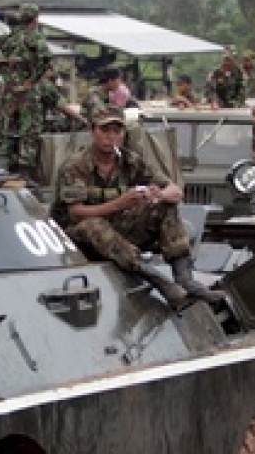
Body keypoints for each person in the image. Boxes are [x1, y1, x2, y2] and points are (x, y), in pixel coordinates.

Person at [53, 105, 219, 310]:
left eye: (117, 131)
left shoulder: (129, 161)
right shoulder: (75, 166)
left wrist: (158, 195)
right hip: (78, 237)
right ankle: (157, 279)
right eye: (104, 130)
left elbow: (175, 191)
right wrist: (120, 203)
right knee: (93, 226)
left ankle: (185, 279)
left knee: (166, 206)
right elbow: (75, 213)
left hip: (118, 230)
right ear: (92, 131)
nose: (111, 136)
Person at [0, 3, 52, 175]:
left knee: (7, 130)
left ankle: (5, 170)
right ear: (35, 20)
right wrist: (32, 80)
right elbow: (45, 57)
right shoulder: (34, 38)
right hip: (27, 93)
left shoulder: (6, 39)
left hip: (7, 92)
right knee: (29, 131)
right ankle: (25, 174)